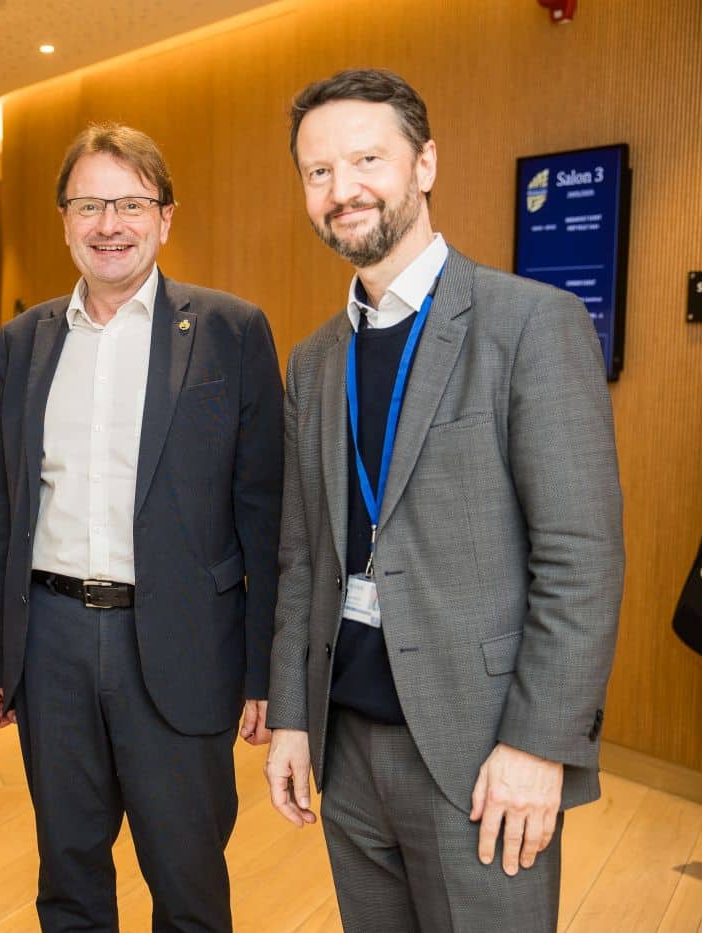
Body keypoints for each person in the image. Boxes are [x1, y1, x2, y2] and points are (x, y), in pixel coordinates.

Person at [264, 68, 624, 931]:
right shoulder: (314, 362)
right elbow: (304, 557)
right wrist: (291, 718)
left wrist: (540, 743)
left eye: (367, 160)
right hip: (346, 745)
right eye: (319, 171)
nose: (343, 189)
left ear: (424, 164)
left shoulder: (528, 323)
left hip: (482, 747)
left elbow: (580, 558)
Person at [0, 122, 284, 932]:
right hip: (51, 644)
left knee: (188, 885)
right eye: (89, 205)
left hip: (182, 643)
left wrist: (265, 673)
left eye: (130, 204)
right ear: (64, 220)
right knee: (68, 878)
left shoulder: (230, 331)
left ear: (165, 217)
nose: (108, 224)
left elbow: (265, 517)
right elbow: (6, 508)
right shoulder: (26, 340)